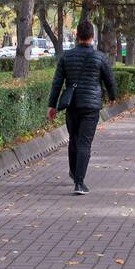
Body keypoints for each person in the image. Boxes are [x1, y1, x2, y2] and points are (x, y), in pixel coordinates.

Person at [48, 19, 118, 195]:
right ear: (92, 37)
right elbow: (109, 80)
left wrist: (52, 105)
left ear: (77, 35)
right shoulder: (100, 57)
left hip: (72, 104)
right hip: (91, 106)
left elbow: (57, 83)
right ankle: (79, 182)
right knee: (84, 142)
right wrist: (112, 97)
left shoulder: (66, 56)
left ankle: (73, 172)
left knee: (74, 139)